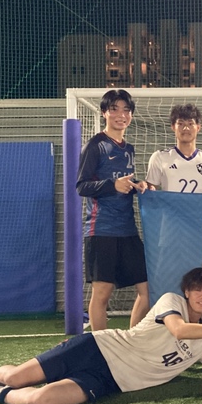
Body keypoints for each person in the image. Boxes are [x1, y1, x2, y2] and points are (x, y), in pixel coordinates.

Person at [0, 268, 202, 404]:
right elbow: (179, 330)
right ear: (187, 291)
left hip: (111, 381)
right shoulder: (171, 301)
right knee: (17, 377)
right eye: (198, 289)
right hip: (97, 347)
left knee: (41, 400)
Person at [76, 89, 150, 331]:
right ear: (104, 113)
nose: (121, 115)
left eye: (126, 110)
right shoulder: (95, 145)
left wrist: (138, 184)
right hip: (101, 230)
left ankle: (133, 340)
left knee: (148, 288)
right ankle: (100, 345)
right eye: (115, 109)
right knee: (102, 293)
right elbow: (82, 186)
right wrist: (112, 185)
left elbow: (123, 181)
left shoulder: (128, 148)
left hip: (127, 230)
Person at [146, 103, 202, 194]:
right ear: (173, 127)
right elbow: (149, 194)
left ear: (198, 127)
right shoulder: (159, 157)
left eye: (190, 124)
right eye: (180, 123)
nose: (186, 128)